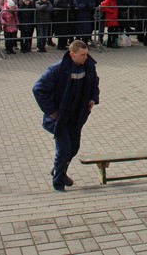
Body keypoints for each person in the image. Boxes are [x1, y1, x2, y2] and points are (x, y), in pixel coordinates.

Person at [32, 40, 100, 192]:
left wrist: (93, 98)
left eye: (87, 54)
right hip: (61, 118)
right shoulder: (57, 70)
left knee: (74, 148)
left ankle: (59, 171)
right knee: (63, 150)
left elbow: (95, 82)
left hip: (77, 116)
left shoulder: (88, 66)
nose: (86, 58)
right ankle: (58, 184)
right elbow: (38, 89)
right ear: (72, 54)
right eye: (82, 55)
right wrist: (52, 112)